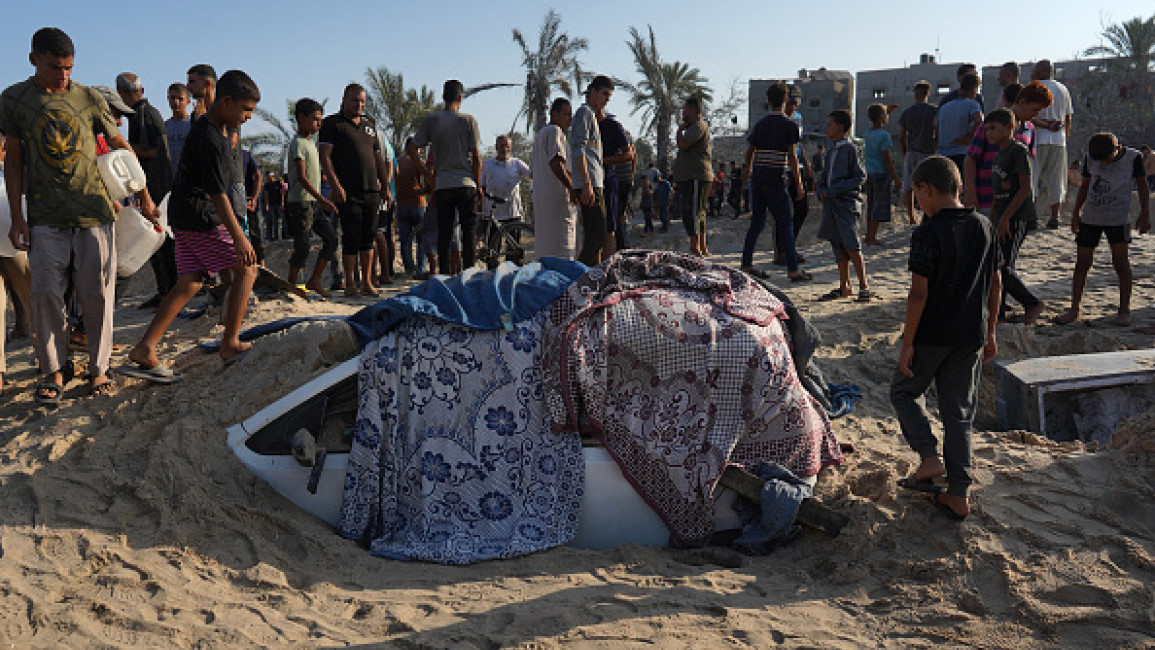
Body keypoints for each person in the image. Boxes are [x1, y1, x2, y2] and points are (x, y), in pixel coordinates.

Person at [2, 28, 159, 401]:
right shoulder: (14, 100)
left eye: (69, 68)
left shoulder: (88, 98)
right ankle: (53, 370)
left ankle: (98, 368)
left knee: (98, 297)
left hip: (94, 214)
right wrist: (17, 217)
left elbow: (121, 147)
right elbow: (14, 161)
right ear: (33, 60)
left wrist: (146, 196)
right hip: (44, 216)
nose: (63, 75)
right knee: (44, 295)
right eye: (56, 67)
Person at [124, 69, 261, 381]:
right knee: (247, 269)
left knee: (190, 282)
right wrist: (239, 238)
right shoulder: (210, 137)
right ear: (226, 101)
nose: (248, 117)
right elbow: (217, 195)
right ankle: (230, 343)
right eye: (246, 111)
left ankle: (146, 347)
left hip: (183, 214)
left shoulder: (212, 128)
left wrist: (233, 129)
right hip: (201, 216)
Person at [891, 155, 1001, 521]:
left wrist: (908, 343)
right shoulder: (985, 226)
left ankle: (928, 457)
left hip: (932, 334)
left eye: (917, 196)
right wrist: (991, 330)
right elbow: (996, 283)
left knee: (904, 391)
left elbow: (918, 294)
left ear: (927, 189)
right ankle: (958, 494)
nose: (918, 203)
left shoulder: (927, 232)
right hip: (970, 334)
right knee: (959, 414)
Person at [1054, 132, 1150, 326]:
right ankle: (1074, 308)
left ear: (1117, 149)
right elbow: (1085, 185)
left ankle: (1124, 311)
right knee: (1082, 263)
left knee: (1121, 263)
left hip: (1118, 219)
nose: (1104, 164)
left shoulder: (1133, 158)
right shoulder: (1091, 158)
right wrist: (1075, 213)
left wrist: (1145, 213)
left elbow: (1142, 186)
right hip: (1091, 217)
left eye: (1107, 159)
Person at [319, 83, 392, 297]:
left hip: (371, 190)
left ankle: (367, 282)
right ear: (344, 99)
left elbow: (378, 157)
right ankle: (350, 283)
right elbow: (325, 157)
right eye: (354, 100)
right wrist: (335, 185)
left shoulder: (370, 124)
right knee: (351, 237)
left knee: (368, 237)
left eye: (362, 101)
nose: (359, 105)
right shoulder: (332, 124)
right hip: (347, 191)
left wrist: (385, 186)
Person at [118, 72, 177, 310]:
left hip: (156, 185)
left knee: (159, 239)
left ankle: (170, 290)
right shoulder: (141, 114)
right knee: (156, 240)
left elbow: (154, 151)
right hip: (153, 184)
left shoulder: (144, 114)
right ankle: (166, 289)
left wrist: (125, 148)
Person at [740, 82, 810, 282]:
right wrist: (799, 183)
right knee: (785, 223)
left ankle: (746, 264)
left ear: (768, 101)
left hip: (758, 179)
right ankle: (793, 269)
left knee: (757, 223)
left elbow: (749, 153)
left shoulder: (760, 124)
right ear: (786, 100)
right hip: (776, 180)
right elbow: (793, 157)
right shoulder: (790, 125)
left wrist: (747, 175)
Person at [408, 80, 480, 273]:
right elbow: (477, 158)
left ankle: (445, 275)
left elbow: (412, 149)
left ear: (443, 97)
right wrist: (479, 185)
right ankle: (469, 272)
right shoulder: (468, 120)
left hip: (443, 185)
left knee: (444, 233)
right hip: (465, 184)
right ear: (460, 97)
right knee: (468, 232)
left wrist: (427, 174)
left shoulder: (432, 121)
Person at [985, 108, 1045, 324]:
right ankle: (999, 311)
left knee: (1003, 266)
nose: (989, 133)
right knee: (996, 263)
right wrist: (993, 219)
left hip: (1017, 216)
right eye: (986, 129)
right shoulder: (998, 155)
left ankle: (1032, 303)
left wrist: (1005, 218)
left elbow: (1024, 188)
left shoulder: (1018, 150)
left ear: (1009, 127)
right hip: (1001, 216)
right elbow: (997, 195)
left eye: (994, 128)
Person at [963, 81, 1052, 218]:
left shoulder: (1029, 129)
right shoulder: (992, 124)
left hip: (1013, 204)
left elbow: (1029, 166)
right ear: (1022, 102)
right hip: (986, 199)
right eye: (1034, 110)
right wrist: (970, 191)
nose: (1036, 115)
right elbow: (971, 157)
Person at [285, 98, 338, 296]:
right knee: (303, 246)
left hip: (313, 202)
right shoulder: (298, 143)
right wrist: (322, 198)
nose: (319, 124)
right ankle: (291, 285)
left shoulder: (310, 143)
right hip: (301, 202)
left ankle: (315, 279)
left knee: (331, 239)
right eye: (315, 119)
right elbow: (301, 177)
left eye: (320, 120)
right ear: (301, 118)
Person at [816, 110, 870, 301]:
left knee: (852, 245)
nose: (826, 127)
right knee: (837, 244)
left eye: (830, 124)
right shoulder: (830, 152)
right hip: (831, 205)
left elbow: (860, 177)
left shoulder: (851, 150)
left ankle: (864, 286)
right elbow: (824, 177)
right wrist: (821, 190)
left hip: (847, 204)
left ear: (840, 127)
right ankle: (844, 285)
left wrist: (835, 190)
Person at [570, 75, 613, 266]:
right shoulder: (584, 113)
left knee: (595, 237)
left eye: (609, 96)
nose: (606, 99)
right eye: (604, 94)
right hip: (590, 184)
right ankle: (578, 280)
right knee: (596, 237)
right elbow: (578, 148)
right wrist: (586, 183)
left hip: (595, 182)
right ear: (593, 92)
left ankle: (585, 279)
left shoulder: (592, 116)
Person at [1031, 60, 1074, 229]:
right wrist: (1065, 137)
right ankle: (1054, 217)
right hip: (1059, 141)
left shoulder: (1035, 87)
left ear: (1041, 71)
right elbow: (1068, 118)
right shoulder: (1063, 89)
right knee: (1056, 180)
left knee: (1032, 177)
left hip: (1037, 139)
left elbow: (1029, 115)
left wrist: (1045, 125)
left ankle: (1032, 216)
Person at [531, 98, 577, 259]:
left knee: (547, 246)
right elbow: (556, 162)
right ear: (555, 114)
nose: (569, 119)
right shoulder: (554, 132)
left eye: (571, 115)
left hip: (544, 200)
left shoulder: (541, 134)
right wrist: (571, 187)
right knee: (562, 247)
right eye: (566, 114)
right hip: (556, 199)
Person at [673, 95, 713, 258]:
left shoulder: (698, 126)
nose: (682, 112)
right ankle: (700, 247)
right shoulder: (693, 127)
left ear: (692, 110)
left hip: (696, 175)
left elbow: (683, 144)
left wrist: (679, 131)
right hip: (691, 176)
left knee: (694, 212)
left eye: (684, 109)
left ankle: (696, 247)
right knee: (696, 211)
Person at [899, 81, 937, 222]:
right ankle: (929, 212)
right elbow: (937, 131)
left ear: (915, 94)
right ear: (928, 94)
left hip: (911, 151)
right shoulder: (934, 110)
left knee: (909, 185)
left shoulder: (907, 113)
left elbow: (902, 137)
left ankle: (911, 216)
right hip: (927, 151)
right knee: (929, 184)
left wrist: (904, 153)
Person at [864, 103, 901, 246]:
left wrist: (887, 111)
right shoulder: (885, 136)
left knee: (871, 204)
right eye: (886, 115)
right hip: (881, 174)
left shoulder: (868, 132)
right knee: (878, 207)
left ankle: (868, 235)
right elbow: (887, 159)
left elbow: (878, 121)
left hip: (869, 173)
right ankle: (872, 237)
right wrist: (896, 178)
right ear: (881, 118)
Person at [598, 109, 634, 256]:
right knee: (617, 216)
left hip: (617, 180)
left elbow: (631, 155)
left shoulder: (617, 131)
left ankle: (621, 248)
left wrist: (604, 161)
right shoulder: (624, 134)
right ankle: (622, 247)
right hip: (619, 179)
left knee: (615, 217)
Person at [395, 137, 433, 275]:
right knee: (421, 239)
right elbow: (428, 179)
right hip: (418, 203)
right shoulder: (419, 163)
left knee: (404, 239)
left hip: (401, 204)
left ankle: (408, 268)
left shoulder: (398, 163)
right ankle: (420, 268)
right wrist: (425, 190)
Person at [480, 134, 532, 231]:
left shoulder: (517, 163)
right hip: (492, 213)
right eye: (501, 146)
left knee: (513, 244)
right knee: (493, 244)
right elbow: (482, 186)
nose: (504, 149)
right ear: (496, 147)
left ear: (510, 148)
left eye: (507, 146)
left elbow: (531, 176)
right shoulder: (488, 164)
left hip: (513, 212)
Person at [935, 74, 982, 175]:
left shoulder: (944, 107)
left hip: (942, 154)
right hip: (961, 153)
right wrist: (969, 138)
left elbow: (936, 130)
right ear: (974, 88)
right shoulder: (972, 104)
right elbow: (979, 121)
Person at [165, 82, 192, 170]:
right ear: (168, 99)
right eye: (173, 98)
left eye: (180, 99)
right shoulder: (165, 126)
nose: (176, 102)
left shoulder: (192, 125)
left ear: (188, 101)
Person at [263, 171, 285, 240]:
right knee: (274, 221)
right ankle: (275, 236)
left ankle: (285, 235)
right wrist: (267, 205)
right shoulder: (267, 185)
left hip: (278, 204)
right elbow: (266, 196)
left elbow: (282, 194)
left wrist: (282, 203)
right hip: (271, 205)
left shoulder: (278, 183)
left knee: (283, 220)